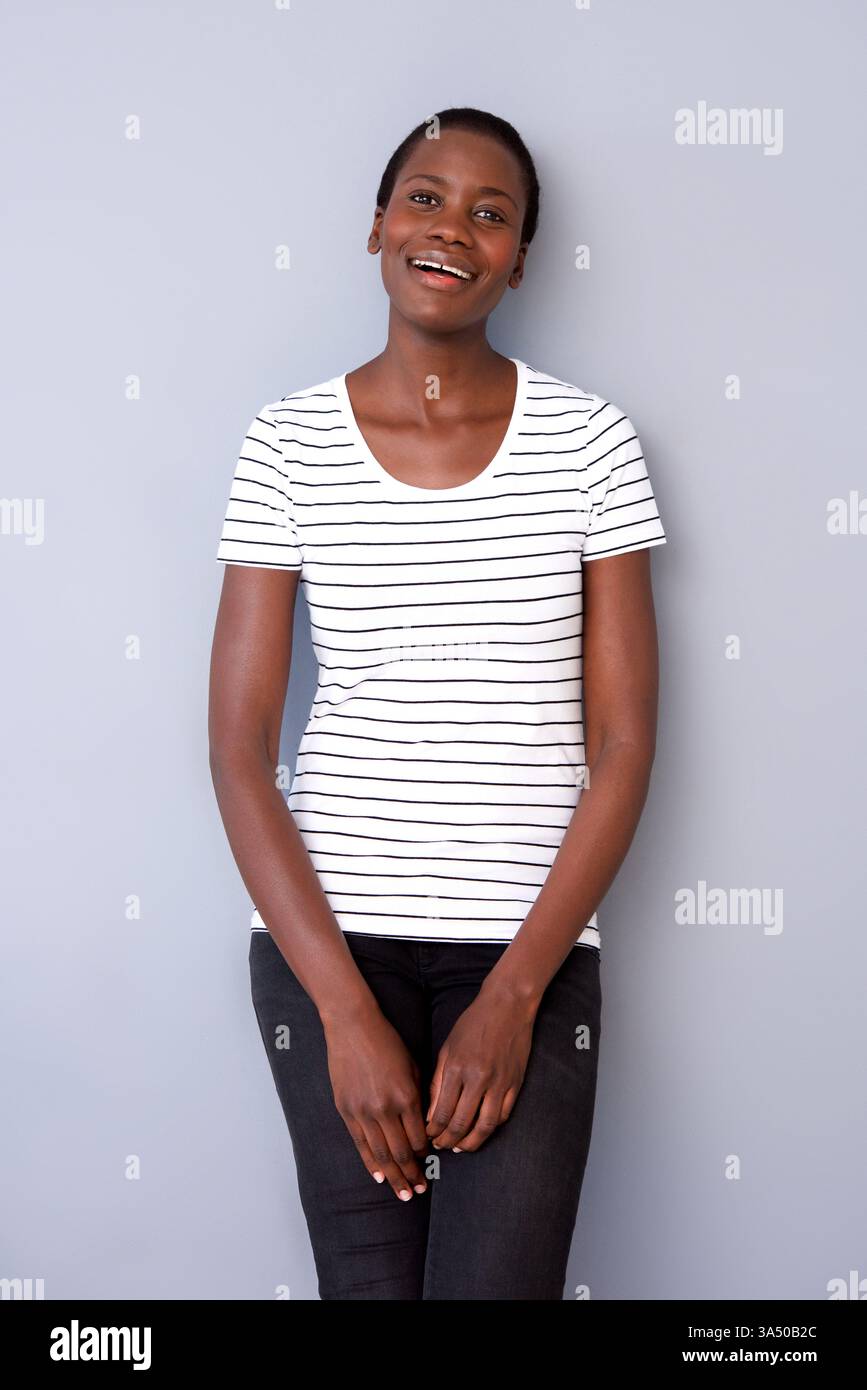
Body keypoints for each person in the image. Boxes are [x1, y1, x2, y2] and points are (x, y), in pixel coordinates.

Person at [208, 106, 667, 1300]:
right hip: (329, 947)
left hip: (529, 953)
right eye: (425, 195)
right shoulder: (288, 443)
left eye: (490, 211)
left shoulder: (593, 443)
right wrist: (344, 1013)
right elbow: (241, 750)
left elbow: (621, 744)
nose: (452, 227)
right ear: (376, 227)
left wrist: (516, 993)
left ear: (518, 257)